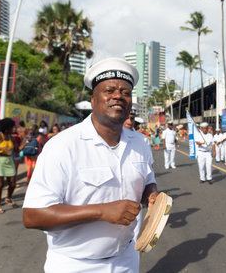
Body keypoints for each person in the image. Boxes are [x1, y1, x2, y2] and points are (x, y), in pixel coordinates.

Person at [23, 57, 158, 272]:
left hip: (127, 259)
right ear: (93, 100)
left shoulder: (140, 142)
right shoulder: (63, 145)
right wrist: (101, 211)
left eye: (125, 92)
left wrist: (151, 194)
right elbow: (32, 215)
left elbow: (147, 180)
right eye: (110, 90)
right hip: (75, 264)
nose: (118, 96)